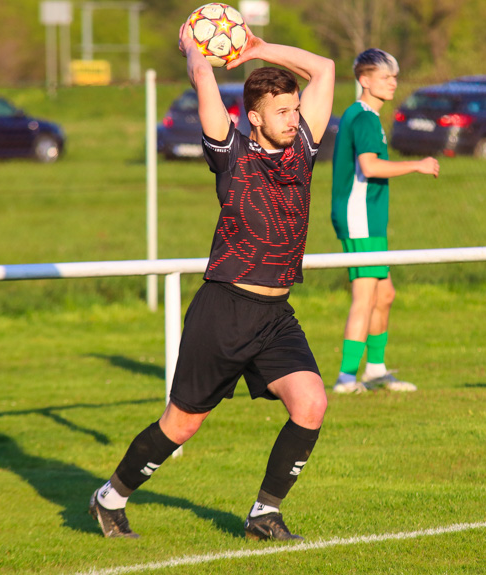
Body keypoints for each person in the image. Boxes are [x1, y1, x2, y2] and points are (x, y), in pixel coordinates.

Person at [88, 24, 335, 541]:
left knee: (312, 403)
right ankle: (109, 498)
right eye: (282, 112)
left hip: (275, 315)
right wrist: (192, 49)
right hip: (223, 310)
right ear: (254, 117)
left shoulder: (303, 151)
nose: (293, 119)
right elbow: (203, 75)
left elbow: (326, 69)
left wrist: (261, 49)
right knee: (182, 425)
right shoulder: (231, 153)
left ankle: (263, 515)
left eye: (296, 109)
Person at [330, 49, 439, 394]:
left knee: (385, 293)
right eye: (385, 77)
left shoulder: (368, 116)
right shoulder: (363, 117)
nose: (393, 83)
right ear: (364, 81)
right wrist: (417, 165)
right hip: (358, 217)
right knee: (365, 296)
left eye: (394, 76)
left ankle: (374, 371)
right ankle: (346, 379)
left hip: (369, 218)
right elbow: (370, 167)